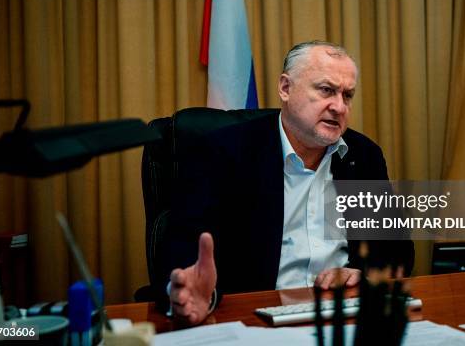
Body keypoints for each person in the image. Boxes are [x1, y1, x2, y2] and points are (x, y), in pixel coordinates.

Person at [166, 41, 415, 325]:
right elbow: (184, 249)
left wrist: (364, 274)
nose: (339, 106)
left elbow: (397, 251)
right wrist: (200, 296)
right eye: (326, 90)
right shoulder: (223, 152)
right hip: (253, 319)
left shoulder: (363, 154)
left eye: (347, 95)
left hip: (342, 317)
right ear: (285, 88)